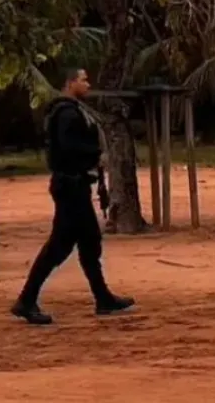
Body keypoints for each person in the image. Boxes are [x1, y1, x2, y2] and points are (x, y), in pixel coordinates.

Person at [11, 68, 135, 325]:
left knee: (89, 241)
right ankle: (26, 299)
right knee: (59, 246)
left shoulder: (71, 110)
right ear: (70, 83)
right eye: (83, 80)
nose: (88, 84)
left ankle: (102, 298)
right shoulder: (66, 113)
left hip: (75, 186)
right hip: (70, 187)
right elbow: (68, 147)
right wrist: (95, 153)